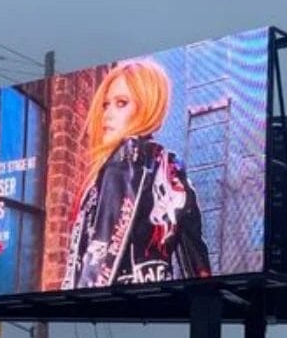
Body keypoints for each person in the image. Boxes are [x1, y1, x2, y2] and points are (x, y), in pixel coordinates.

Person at [61, 59, 211, 289]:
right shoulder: (173, 171)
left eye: (121, 103)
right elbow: (198, 265)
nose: (107, 115)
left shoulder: (122, 161)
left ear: (146, 106)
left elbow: (98, 260)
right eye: (105, 105)